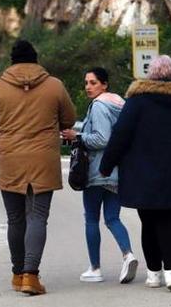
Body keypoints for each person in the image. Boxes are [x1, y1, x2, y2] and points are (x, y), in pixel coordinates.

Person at [99, 55, 171, 292]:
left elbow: (120, 136)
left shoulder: (137, 102)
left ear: (150, 75)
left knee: (149, 222)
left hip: (144, 176)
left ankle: (153, 275)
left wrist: (106, 165)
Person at [0, 39, 76, 296]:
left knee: (15, 218)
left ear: (12, 61)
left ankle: (17, 273)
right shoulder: (54, 85)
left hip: (10, 159)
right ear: (36, 60)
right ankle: (31, 277)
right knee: (38, 217)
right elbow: (69, 118)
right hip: (44, 159)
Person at [61, 67, 138, 284]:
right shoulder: (120, 106)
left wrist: (78, 135)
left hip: (96, 171)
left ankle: (95, 268)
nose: (88, 87)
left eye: (93, 82)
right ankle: (128, 254)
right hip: (116, 171)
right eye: (86, 83)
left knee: (92, 219)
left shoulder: (99, 106)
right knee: (113, 218)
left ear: (104, 85)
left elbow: (102, 139)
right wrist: (75, 137)